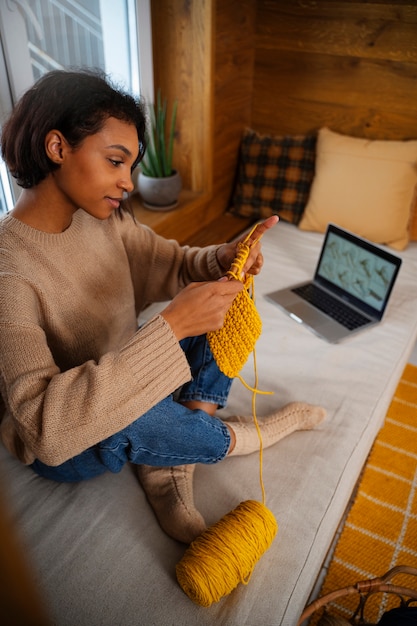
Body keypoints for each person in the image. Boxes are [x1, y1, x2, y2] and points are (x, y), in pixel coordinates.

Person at [0, 69, 325, 544]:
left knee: (223, 301)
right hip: (73, 441)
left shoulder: (100, 218)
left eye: (130, 167)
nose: (127, 183)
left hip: (129, 373)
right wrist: (169, 328)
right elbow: (46, 429)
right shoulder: (9, 270)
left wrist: (223, 258)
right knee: (129, 413)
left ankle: (167, 456)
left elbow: (170, 262)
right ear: (57, 147)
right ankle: (233, 438)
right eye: (115, 161)